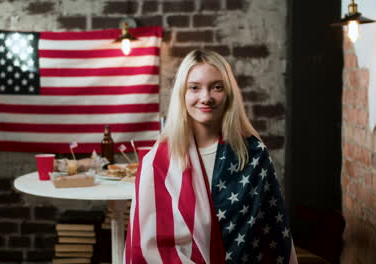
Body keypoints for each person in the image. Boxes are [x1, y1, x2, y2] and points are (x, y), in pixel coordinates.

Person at [125, 49, 298, 264]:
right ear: (182, 94)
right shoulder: (157, 161)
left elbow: (271, 231)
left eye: (217, 87)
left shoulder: (254, 153)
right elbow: (146, 244)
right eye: (194, 88)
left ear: (229, 94)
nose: (205, 98)